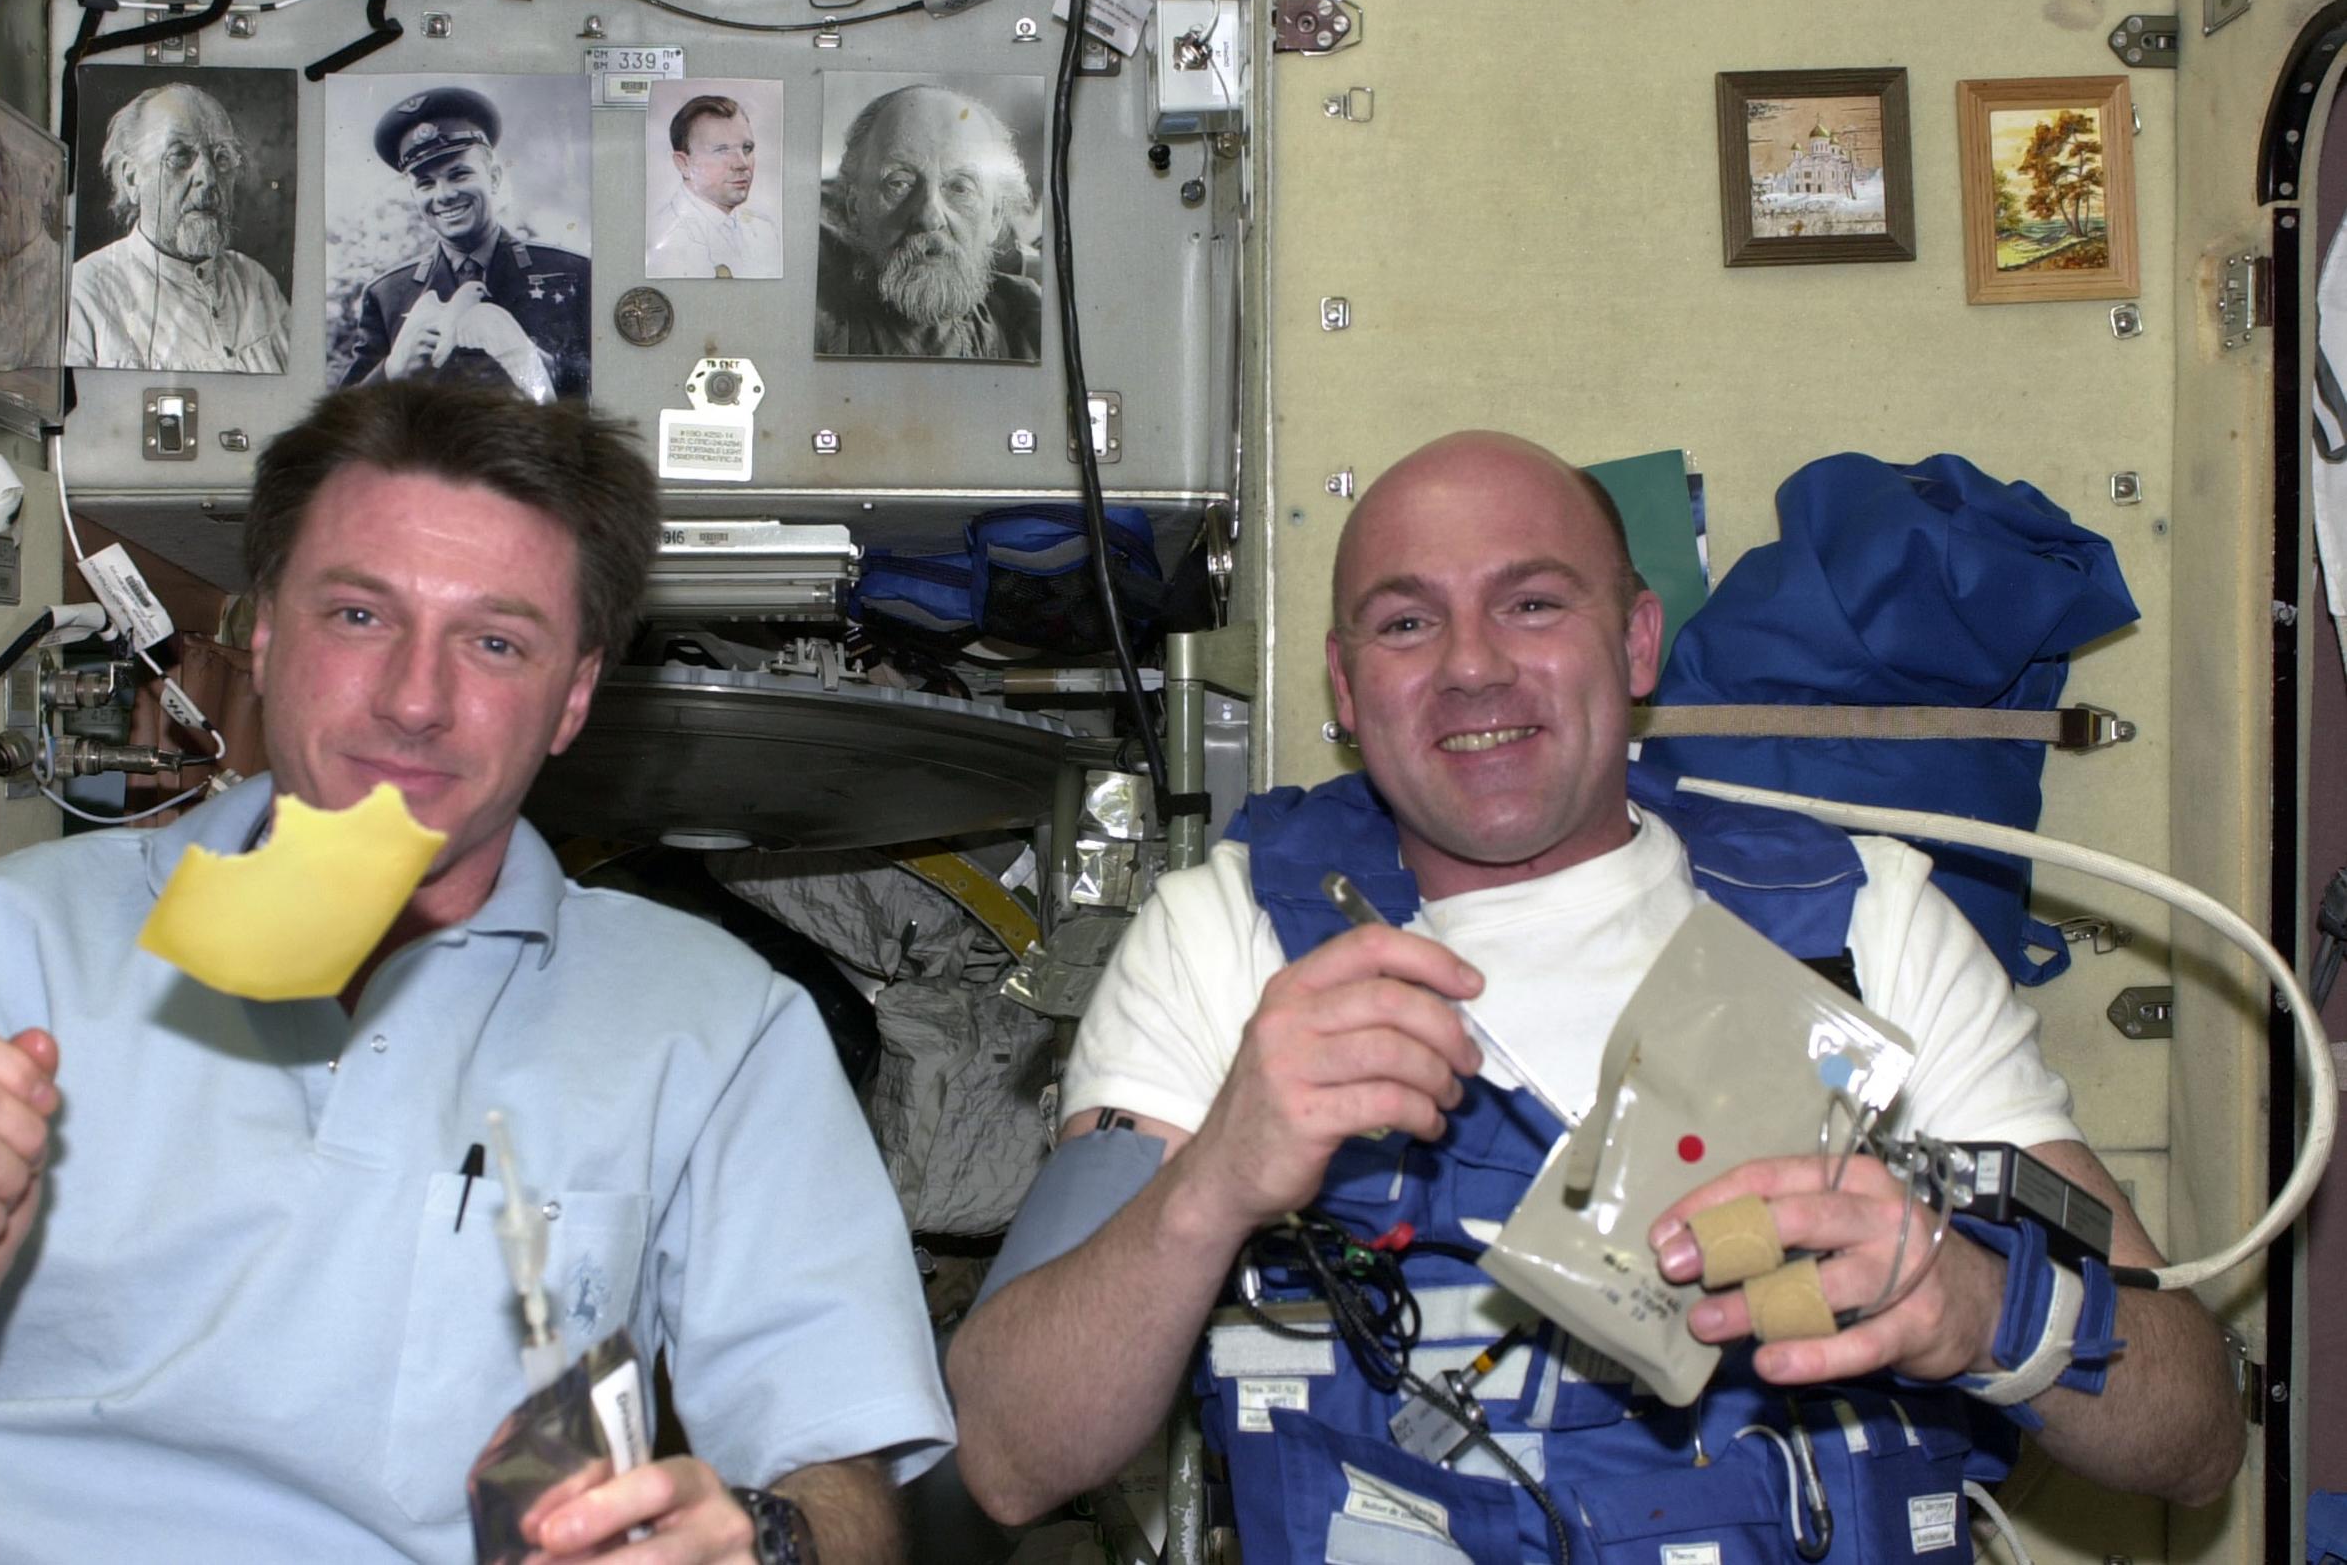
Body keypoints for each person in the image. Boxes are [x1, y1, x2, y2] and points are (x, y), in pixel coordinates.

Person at [947, 432, 2243, 1559]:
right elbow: (1009, 1452)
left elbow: (2196, 1434)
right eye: (1405, 621)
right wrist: (1214, 1177)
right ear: (1345, 689)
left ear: (1635, 642)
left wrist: (1976, 1305)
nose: (1469, 667)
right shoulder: (1229, 939)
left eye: (1530, 605)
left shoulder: (1863, 918)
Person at [0, 381, 951, 1562]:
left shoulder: (719, 1030)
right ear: (263, 631)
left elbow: (844, 1486)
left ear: (573, 695)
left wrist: (762, 1544)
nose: (415, 702)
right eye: (360, 617)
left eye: (493, 642)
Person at [341, 87, 591, 402]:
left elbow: (613, 389)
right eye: (426, 184)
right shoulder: (388, 295)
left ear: (495, 178)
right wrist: (391, 370)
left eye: (459, 175)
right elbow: (340, 423)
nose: (443, 195)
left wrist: (544, 366)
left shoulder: (573, 272)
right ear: (414, 196)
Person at [66, 82, 291, 373]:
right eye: (181, 155)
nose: (209, 178)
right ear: (131, 178)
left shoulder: (256, 282)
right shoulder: (84, 292)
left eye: (222, 157)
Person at [815, 84, 1041, 362]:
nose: (930, 217)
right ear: (854, 207)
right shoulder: (808, 326)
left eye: (960, 188)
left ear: (995, 216)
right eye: (899, 183)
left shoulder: (1033, 326)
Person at [651, 94, 782, 280]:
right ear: (683, 164)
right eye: (721, 150)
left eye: (747, 148)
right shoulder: (661, 236)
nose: (742, 163)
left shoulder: (765, 230)